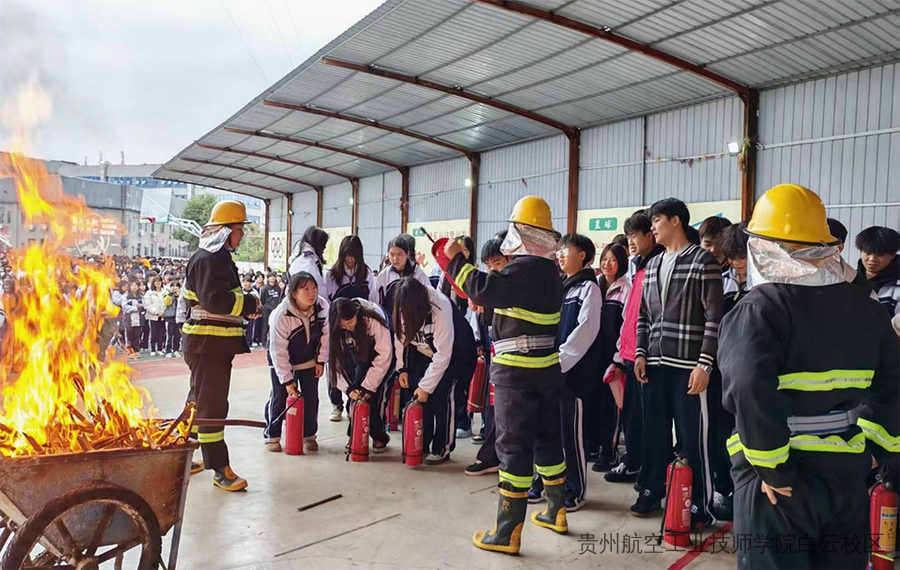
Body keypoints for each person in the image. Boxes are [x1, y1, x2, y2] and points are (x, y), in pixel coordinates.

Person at [719, 184, 899, 569]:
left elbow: (749, 390)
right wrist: (874, 453)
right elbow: (893, 387)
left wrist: (772, 467)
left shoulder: (759, 309)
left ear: (763, 248)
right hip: (847, 472)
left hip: (778, 483)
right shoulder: (867, 309)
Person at [445, 195, 566, 555]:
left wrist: (455, 259)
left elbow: (483, 288)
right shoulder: (551, 273)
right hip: (547, 370)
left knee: (513, 449)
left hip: (517, 373)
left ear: (523, 232)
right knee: (548, 441)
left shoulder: (521, 270)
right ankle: (556, 511)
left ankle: (507, 531)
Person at [632, 198, 723, 529]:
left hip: (688, 367)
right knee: (654, 432)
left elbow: (715, 318)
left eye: (656, 220)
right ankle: (651, 490)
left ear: (675, 221)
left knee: (693, 437)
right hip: (654, 364)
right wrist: (641, 353)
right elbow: (643, 315)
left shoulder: (703, 262)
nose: (652, 227)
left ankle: (700, 503)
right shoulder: (653, 265)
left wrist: (705, 365)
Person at [182, 200, 262, 492]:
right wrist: (251, 303)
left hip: (211, 345)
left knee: (197, 403)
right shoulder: (208, 259)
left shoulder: (218, 258)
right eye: (239, 230)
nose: (242, 236)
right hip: (208, 346)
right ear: (226, 231)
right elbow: (216, 300)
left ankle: (183, 456)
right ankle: (220, 469)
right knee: (213, 407)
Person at [529, 233, 602, 512]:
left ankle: (575, 488)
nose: (559, 255)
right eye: (558, 251)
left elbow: (585, 333)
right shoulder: (558, 288)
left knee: (570, 435)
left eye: (565, 250)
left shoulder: (589, 290)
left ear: (582, 255)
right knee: (545, 431)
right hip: (548, 371)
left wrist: (557, 363)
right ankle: (542, 480)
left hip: (571, 376)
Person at [604, 211, 663, 485]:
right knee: (631, 415)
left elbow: (651, 313)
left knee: (648, 418)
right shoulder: (637, 266)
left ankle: (647, 470)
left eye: (634, 236)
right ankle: (633, 461)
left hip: (648, 355)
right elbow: (631, 313)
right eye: (628, 237)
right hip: (629, 352)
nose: (631, 242)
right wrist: (619, 353)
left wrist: (640, 350)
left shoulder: (658, 264)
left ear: (651, 235)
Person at [393, 277, 476, 465]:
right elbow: (401, 340)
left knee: (444, 398)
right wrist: (402, 369)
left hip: (455, 354)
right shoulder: (403, 305)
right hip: (425, 353)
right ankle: (421, 444)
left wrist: (426, 387)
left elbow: (444, 355)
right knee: (419, 397)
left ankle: (442, 448)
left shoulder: (440, 307)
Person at [264, 272, 329, 453]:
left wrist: (321, 360)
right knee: (279, 397)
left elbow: (327, 335)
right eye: (305, 289)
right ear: (293, 293)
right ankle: (272, 435)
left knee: (311, 398)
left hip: (309, 360)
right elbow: (278, 351)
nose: (311, 293)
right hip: (282, 361)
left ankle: (309, 436)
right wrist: (287, 380)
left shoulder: (322, 306)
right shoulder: (281, 315)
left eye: (314, 288)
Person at [464, 238, 508, 476]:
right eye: (488, 265)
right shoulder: (489, 291)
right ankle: (492, 455)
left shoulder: (517, 287)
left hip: (516, 363)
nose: (492, 270)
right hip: (495, 359)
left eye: (497, 263)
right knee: (493, 409)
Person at [328, 297, 393, 452]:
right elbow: (334, 364)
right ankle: (355, 436)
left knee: (373, 399)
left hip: (381, 359)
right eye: (343, 325)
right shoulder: (333, 330)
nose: (348, 327)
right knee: (356, 397)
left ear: (356, 313)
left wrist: (369, 386)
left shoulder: (372, 318)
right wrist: (349, 389)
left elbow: (385, 355)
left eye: (350, 322)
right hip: (355, 359)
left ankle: (379, 437)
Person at [591, 243, 630, 472]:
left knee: (611, 407)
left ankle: (610, 452)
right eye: (604, 258)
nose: (607, 264)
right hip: (594, 357)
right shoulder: (594, 287)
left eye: (613, 260)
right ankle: (593, 445)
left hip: (613, 358)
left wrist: (618, 359)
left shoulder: (626, 289)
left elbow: (626, 328)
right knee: (594, 403)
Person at [370, 234, 431, 324]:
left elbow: (428, 297)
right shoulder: (384, 275)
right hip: (390, 321)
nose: (395, 258)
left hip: (412, 321)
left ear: (408, 254)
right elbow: (377, 300)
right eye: (392, 254)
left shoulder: (417, 273)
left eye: (399, 254)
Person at [855, 226, 900, 322]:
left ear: (892, 255)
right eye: (868, 252)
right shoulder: (850, 280)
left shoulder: (897, 287)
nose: (872, 259)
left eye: (880, 254)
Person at [325, 235, 374, 301]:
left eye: (354, 256)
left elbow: (373, 300)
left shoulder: (366, 273)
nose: (350, 259)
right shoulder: (331, 274)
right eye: (347, 255)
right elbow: (327, 301)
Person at [288, 226, 329, 291]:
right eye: (323, 244)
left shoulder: (306, 259)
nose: (325, 247)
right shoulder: (307, 263)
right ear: (318, 244)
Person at [143, 277, 166, 356]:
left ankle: (160, 348)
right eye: (156, 282)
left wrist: (163, 312)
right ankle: (153, 349)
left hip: (163, 316)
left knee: (161, 333)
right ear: (153, 283)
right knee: (153, 333)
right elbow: (148, 305)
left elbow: (167, 303)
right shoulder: (149, 293)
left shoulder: (165, 291)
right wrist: (156, 312)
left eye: (159, 281)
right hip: (153, 316)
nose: (158, 283)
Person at [259, 273, 282, 346]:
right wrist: (266, 306)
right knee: (265, 326)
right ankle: (264, 342)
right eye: (270, 277)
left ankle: (274, 342)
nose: (272, 278)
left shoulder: (278, 288)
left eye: (273, 277)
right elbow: (262, 300)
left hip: (276, 310)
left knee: (275, 327)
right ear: (268, 278)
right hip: (267, 310)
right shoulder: (264, 288)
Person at [121, 281, 143, 359]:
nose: (134, 287)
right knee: (129, 335)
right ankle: (130, 352)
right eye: (132, 285)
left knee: (137, 335)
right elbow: (124, 307)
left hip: (138, 318)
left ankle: (136, 350)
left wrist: (141, 307)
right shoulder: (125, 296)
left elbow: (144, 305)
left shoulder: (141, 295)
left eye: (136, 285)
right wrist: (135, 308)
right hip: (128, 318)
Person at [162, 281, 181, 358]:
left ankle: (175, 349)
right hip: (170, 317)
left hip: (179, 317)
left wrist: (178, 296)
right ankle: (167, 350)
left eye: (177, 286)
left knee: (177, 335)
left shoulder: (181, 295)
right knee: (169, 335)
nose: (175, 288)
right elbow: (167, 303)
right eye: (173, 286)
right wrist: (171, 294)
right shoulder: (167, 294)